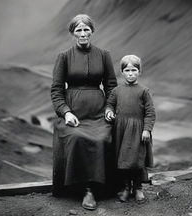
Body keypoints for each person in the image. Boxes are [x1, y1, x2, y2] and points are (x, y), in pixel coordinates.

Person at [51, 14, 117, 210]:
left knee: (105, 137)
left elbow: (111, 86)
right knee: (77, 138)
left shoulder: (104, 55)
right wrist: (66, 113)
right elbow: (56, 90)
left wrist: (110, 108)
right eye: (78, 30)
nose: (83, 33)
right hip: (75, 116)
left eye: (86, 29)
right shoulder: (63, 57)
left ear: (92, 31)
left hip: (99, 113)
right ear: (72, 33)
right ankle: (87, 190)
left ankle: (112, 186)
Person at [105, 55, 156, 202]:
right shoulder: (117, 91)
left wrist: (147, 129)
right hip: (121, 130)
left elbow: (150, 112)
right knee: (124, 161)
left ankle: (138, 188)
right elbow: (110, 104)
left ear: (139, 72)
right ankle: (126, 188)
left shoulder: (144, 91)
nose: (131, 73)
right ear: (122, 72)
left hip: (138, 131)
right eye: (127, 70)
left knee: (137, 160)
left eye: (134, 70)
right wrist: (109, 111)